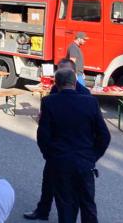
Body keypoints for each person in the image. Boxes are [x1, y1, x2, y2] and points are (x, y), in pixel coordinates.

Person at [37, 69, 111, 223]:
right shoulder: (90, 102)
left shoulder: (49, 102)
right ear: (75, 83)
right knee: (88, 205)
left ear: (56, 84)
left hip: (60, 163)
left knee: (66, 207)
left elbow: (43, 137)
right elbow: (104, 136)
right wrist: (92, 157)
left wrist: (51, 157)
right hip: (85, 163)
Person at [24, 59, 91, 220]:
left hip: (76, 151)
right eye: (58, 71)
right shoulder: (54, 89)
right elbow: (46, 121)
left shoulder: (85, 94)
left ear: (73, 74)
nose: (60, 75)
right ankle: (42, 211)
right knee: (47, 182)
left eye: (64, 71)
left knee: (74, 194)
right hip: (55, 148)